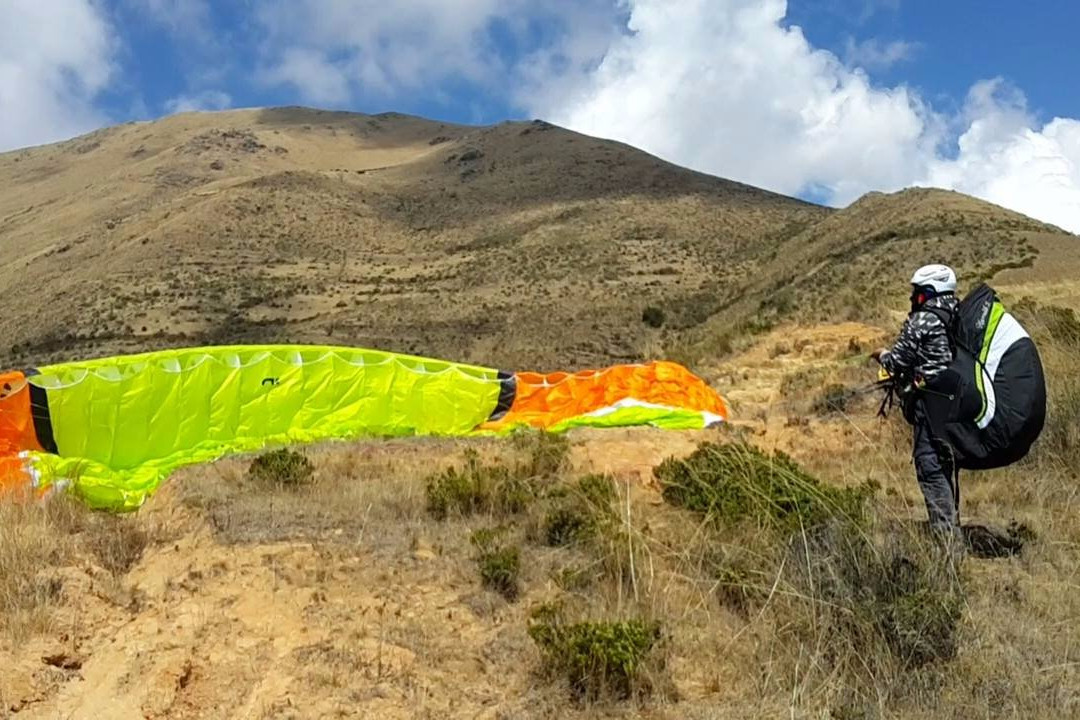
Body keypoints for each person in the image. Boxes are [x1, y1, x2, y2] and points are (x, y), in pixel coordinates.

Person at [871, 264, 961, 534]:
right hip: (957, 402)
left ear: (930, 291)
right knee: (946, 465)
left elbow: (896, 361)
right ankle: (951, 526)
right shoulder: (956, 312)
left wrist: (880, 353)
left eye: (918, 292)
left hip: (930, 406)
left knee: (930, 468)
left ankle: (947, 544)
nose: (914, 299)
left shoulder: (924, 319)